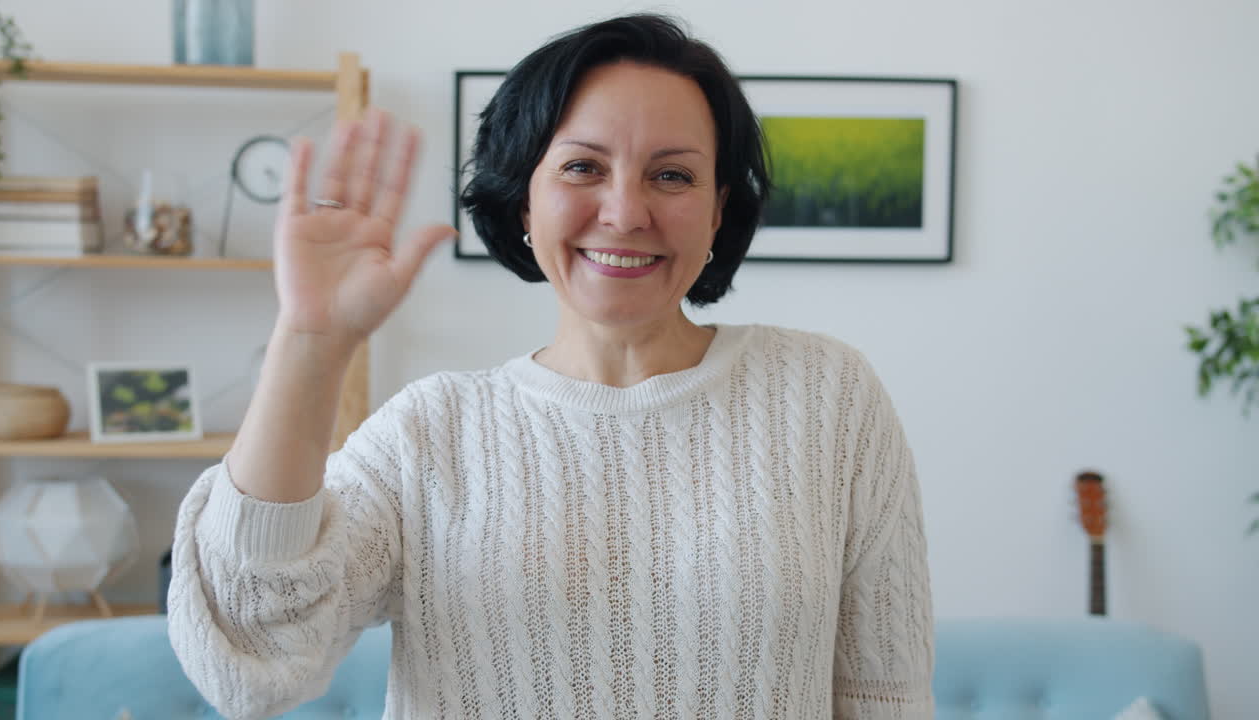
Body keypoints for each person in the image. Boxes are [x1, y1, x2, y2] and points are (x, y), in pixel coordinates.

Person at [167, 13, 933, 719]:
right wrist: (310, 341)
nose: (626, 211)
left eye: (672, 175)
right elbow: (252, 657)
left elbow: (883, 698)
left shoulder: (829, 398)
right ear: (524, 203)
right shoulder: (431, 432)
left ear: (718, 209)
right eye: (582, 167)